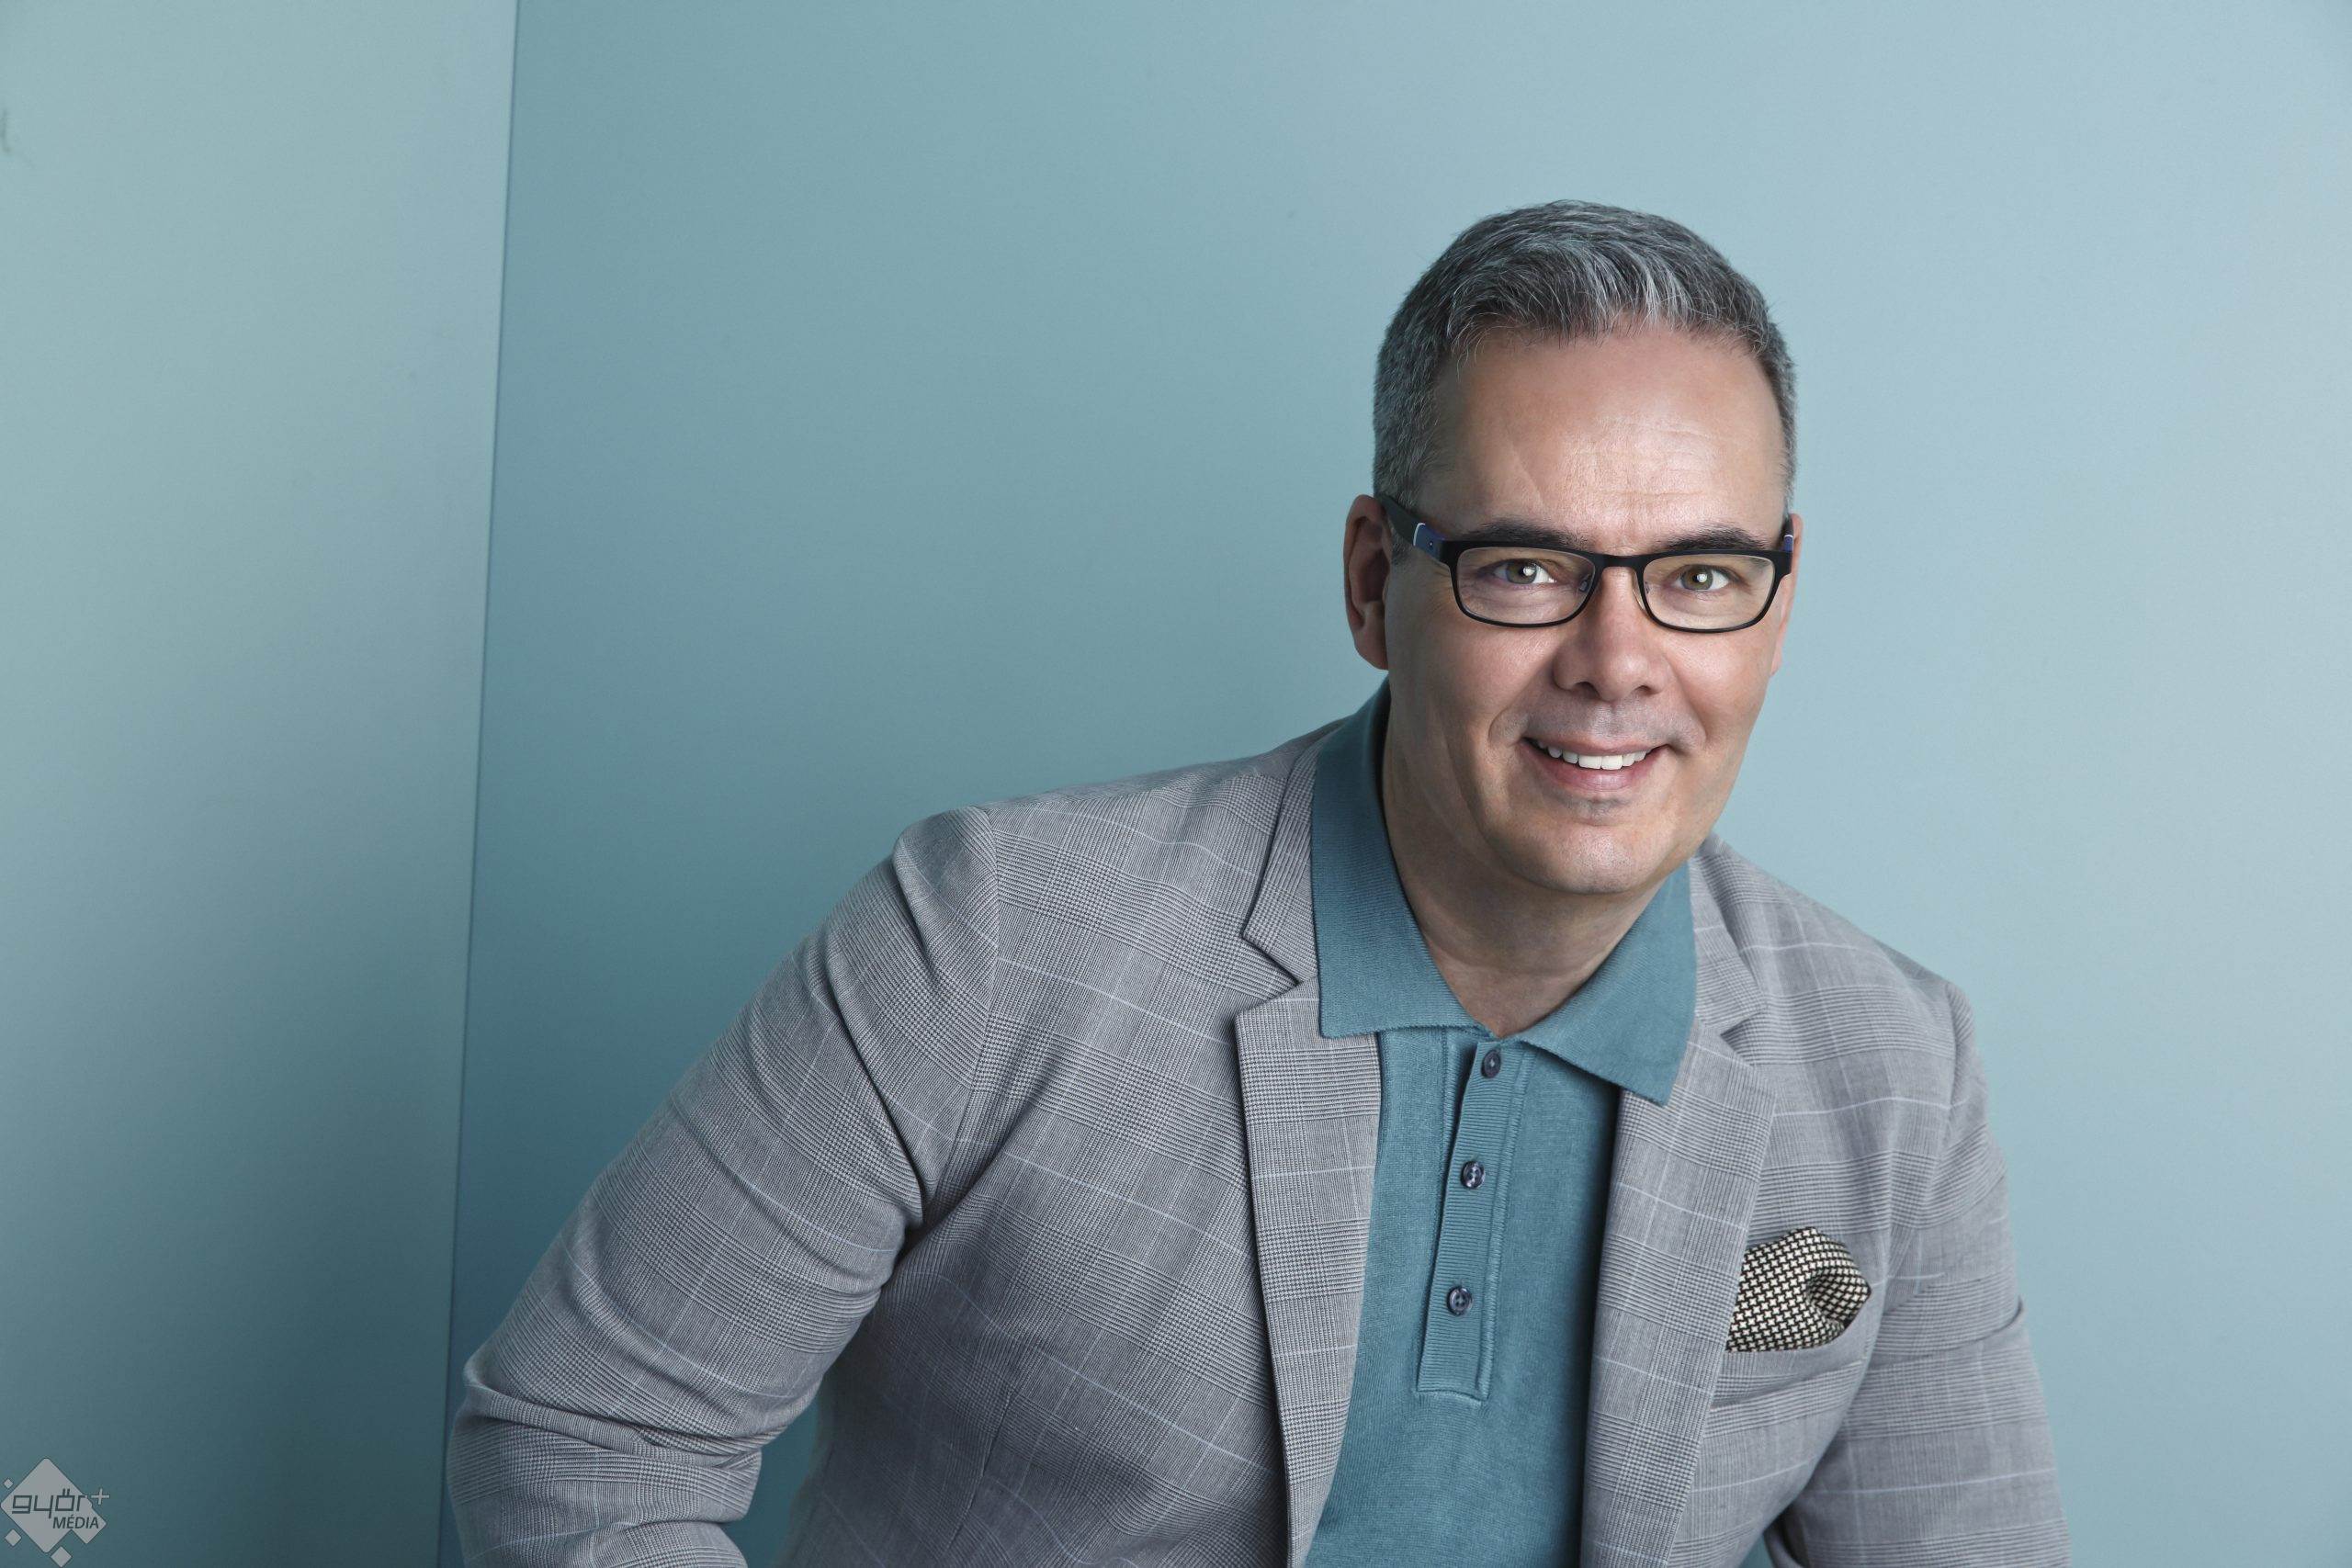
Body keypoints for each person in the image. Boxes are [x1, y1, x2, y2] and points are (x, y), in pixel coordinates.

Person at [447, 199, 2066, 1567]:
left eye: (1700, 575)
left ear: (1778, 604)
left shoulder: (1893, 1072)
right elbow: (585, 1438)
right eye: (1523, 567)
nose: (1618, 661)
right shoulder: (992, 938)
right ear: (1374, 585)